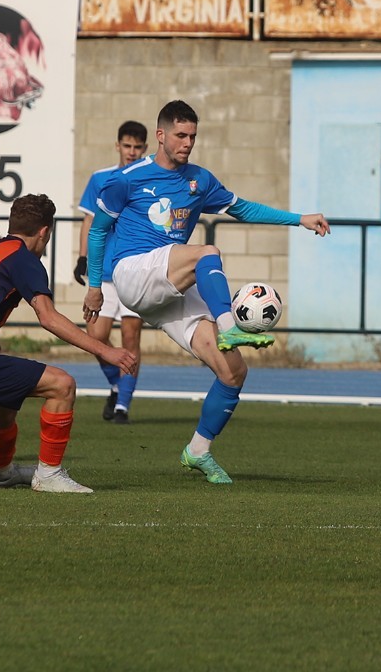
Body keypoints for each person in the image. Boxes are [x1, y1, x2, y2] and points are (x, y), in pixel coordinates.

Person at [84, 100, 330, 485]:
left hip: (169, 284)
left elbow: (243, 209)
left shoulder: (200, 180)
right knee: (207, 251)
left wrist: (299, 219)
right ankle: (229, 326)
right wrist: (94, 287)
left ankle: (198, 450)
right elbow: (98, 231)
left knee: (234, 372)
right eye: (180, 135)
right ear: (161, 135)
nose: (188, 143)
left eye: (193, 136)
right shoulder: (127, 179)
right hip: (133, 273)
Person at [0, 194, 136, 493]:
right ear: (44, 232)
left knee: (2, 413)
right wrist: (106, 351)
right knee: (63, 385)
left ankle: (2, 474)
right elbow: (48, 318)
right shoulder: (23, 259)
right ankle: (49, 474)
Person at [73, 120, 149, 424]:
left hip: (135, 273)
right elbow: (89, 221)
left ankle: (122, 407)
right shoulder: (101, 178)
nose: (131, 152)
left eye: (137, 147)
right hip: (103, 274)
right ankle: (118, 385)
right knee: (96, 337)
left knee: (131, 337)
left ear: (145, 149)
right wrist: (82, 257)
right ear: (118, 145)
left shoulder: (149, 180)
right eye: (127, 145)